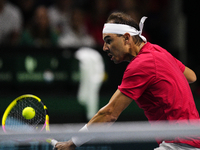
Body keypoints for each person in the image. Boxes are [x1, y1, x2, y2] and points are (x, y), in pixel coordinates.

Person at [54, 12, 200, 150]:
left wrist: (72, 142)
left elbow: (109, 113)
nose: (105, 47)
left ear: (126, 38)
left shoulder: (141, 65)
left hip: (180, 144)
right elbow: (191, 76)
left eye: (109, 41)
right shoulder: (157, 50)